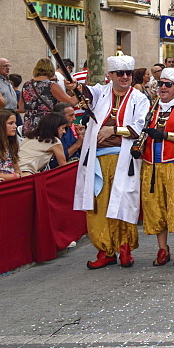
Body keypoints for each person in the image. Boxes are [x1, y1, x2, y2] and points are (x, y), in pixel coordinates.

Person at [73, 55, 149, 269]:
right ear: (110, 75)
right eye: (120, 74)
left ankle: (124, 247)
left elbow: (139, 128)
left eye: (128, 73)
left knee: (124, 202)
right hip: (97, 160)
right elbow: (85, 93)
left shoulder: (139, 98)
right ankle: (105, 250)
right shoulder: (101, 92)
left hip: (124, 160)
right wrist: (74, 86)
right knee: (99, 205)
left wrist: (113, 130)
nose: (125, 77)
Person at [137, 66, 174, 266]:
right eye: (161, 84)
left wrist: (164, 136)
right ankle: (162, 248)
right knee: (155, 206)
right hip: (151, 163)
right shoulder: (152, 107)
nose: (163, 88)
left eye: (168, 85)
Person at [19, 58, 78, 136]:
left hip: (29, 125)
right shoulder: (51, 85)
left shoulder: (26, 85)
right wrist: (81, 91)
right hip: (47, 124)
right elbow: (71, 102)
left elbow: (22, 108)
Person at [0, 110, 22, 181]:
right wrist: (16, 176)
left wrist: (20, 176)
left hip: (13, 180)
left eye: (15, 123)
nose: (15, 126)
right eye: (10, 123)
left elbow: (17, 170)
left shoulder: (10, 143)